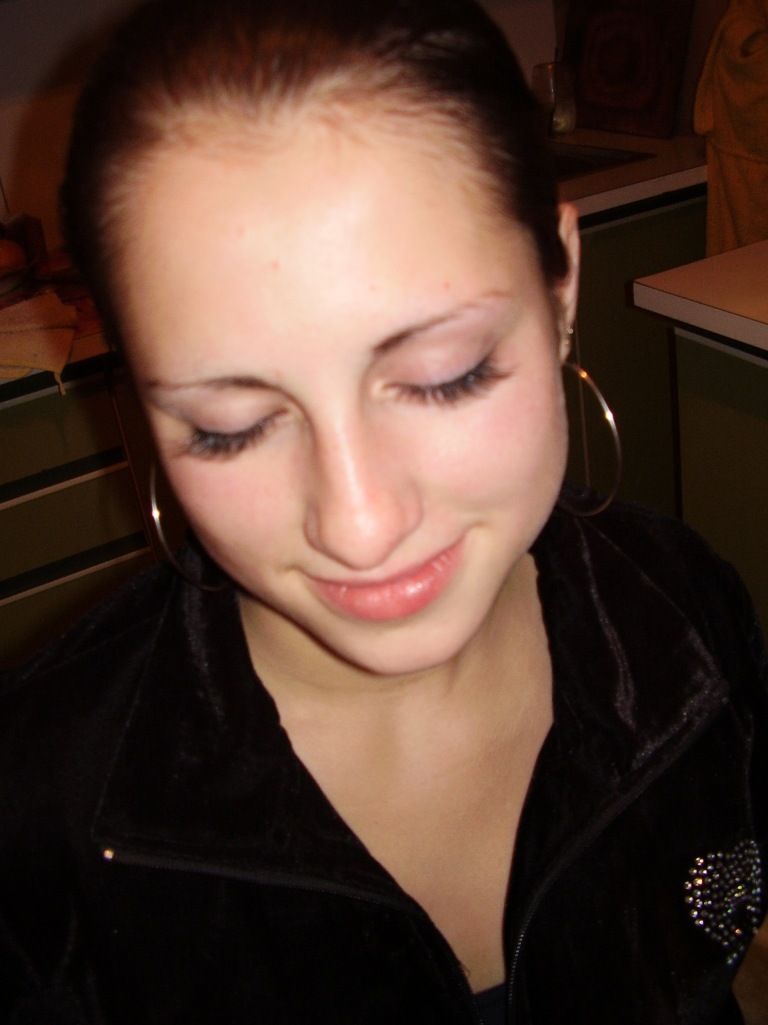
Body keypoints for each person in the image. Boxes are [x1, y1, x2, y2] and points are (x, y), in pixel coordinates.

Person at [1, 0, 766, 1022]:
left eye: (446, 374)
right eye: (230, 427)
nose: (359, 526)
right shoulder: (36, 816)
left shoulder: (688, 611)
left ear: (561, 286)